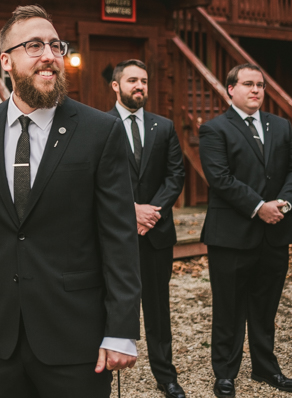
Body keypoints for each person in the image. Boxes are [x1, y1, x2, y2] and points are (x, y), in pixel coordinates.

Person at [0, 5, 141, 398]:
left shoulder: (100, 132)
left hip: (76, 339)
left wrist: (121, 330)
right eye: (34, 45)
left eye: (55, 45)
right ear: (6, 61)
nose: (49, 55)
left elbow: (119, 238)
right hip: (1, 340)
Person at [198, 63, 292, 398]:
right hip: (231, 235)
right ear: (231, 89)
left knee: (265, 306)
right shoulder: (215, 129)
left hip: (275, 233)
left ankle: (265, 367)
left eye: (260, 85)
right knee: (228, 308)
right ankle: (226, 372)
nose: (256, 90)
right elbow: (220, 178)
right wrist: (260, 207)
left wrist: (283, 205)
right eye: (248, 84)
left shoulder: (282, 126)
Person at [107, 59, 186, 398]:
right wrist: (130, 211)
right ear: (116, 85)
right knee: (110, 304)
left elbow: (176, 175)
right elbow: (96, 181)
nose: (139, 86)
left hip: (156, 233)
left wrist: (152, 211)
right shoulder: (99, 125)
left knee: (158, 308)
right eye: (132, 80)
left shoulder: (163, 126)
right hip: (115, 235)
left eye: (144, 81)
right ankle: (104, 374)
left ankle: (166, 376)